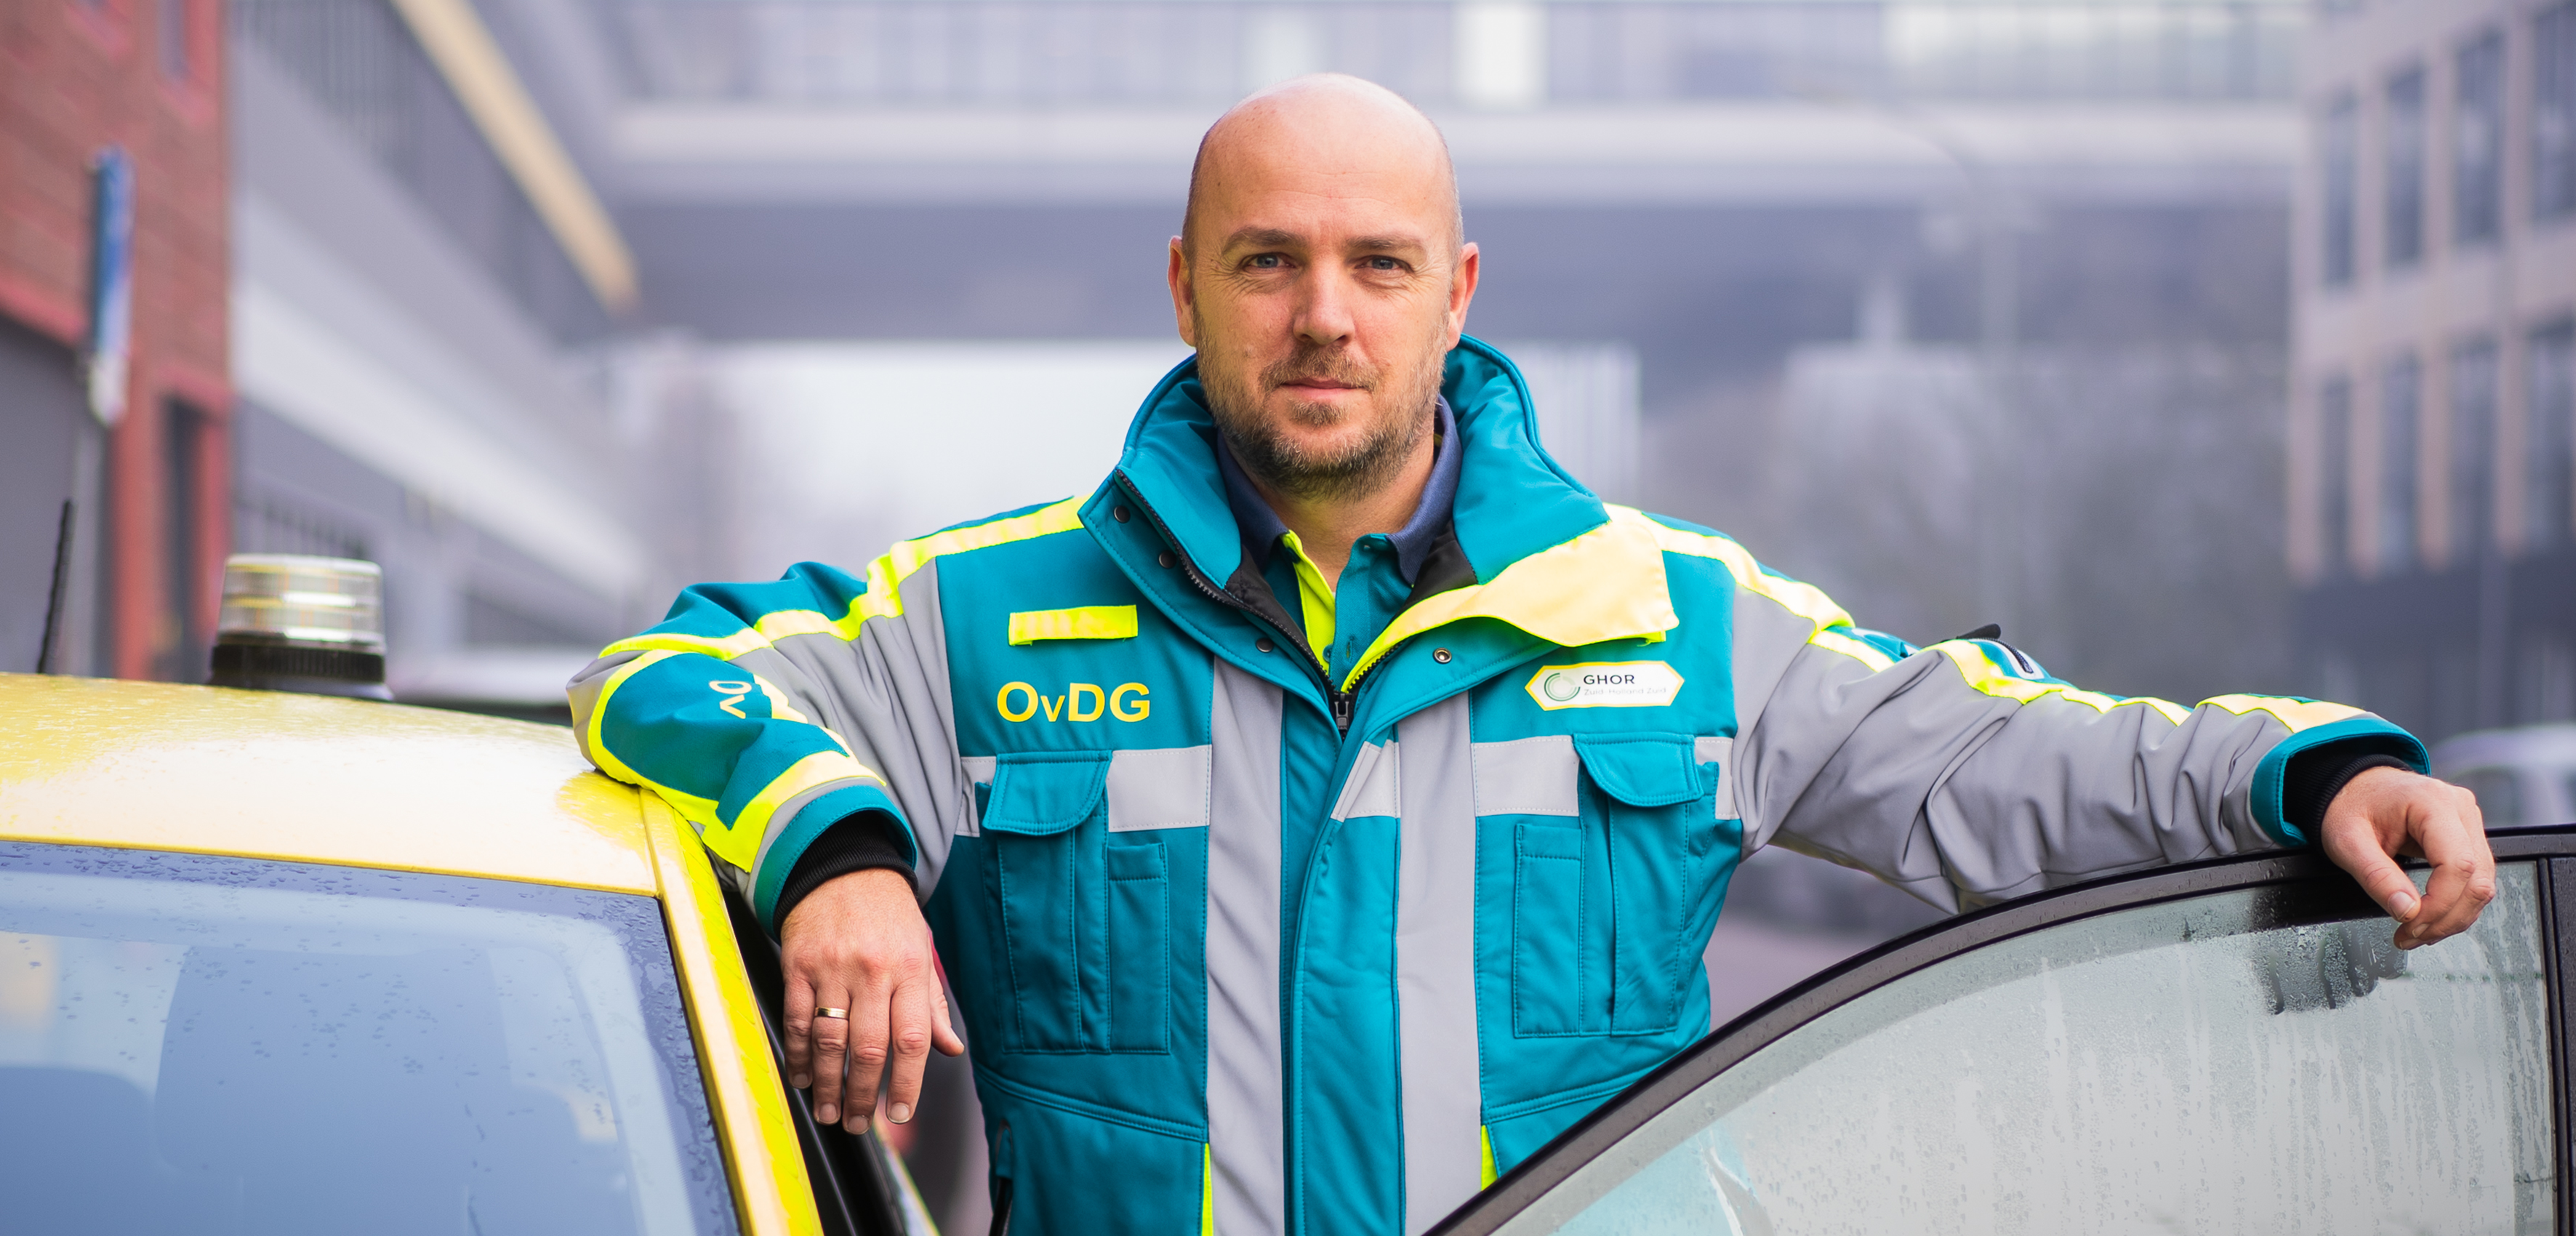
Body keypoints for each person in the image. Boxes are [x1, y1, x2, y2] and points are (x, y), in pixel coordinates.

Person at [568, 74, 2492, 1236]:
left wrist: (2311, 768)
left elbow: (2006, 769)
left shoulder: (1669, 618)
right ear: (1184, 283)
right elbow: (660, 677)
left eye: (1376, 265)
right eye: (1266, 261)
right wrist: (830, 851)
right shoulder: (980, 620)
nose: (1323, 315)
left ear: (1454, 293)